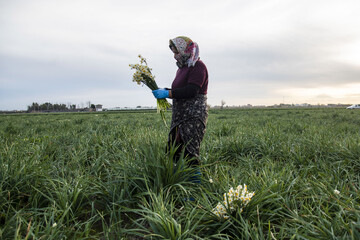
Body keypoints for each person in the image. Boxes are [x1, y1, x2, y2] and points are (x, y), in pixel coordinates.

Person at [152, 36, 208, 183]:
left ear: (185, 50)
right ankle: (177, 181)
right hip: (180, 116)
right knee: (174, 149)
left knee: (190, 152)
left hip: (193, 116)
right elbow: (180, 89)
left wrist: (168, 94)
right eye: (173, 52)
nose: (175, 56)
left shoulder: (198, 67)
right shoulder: (182, 69)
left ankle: (195, 189)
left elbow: (191, 90)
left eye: (176, 52)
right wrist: (166, 90)